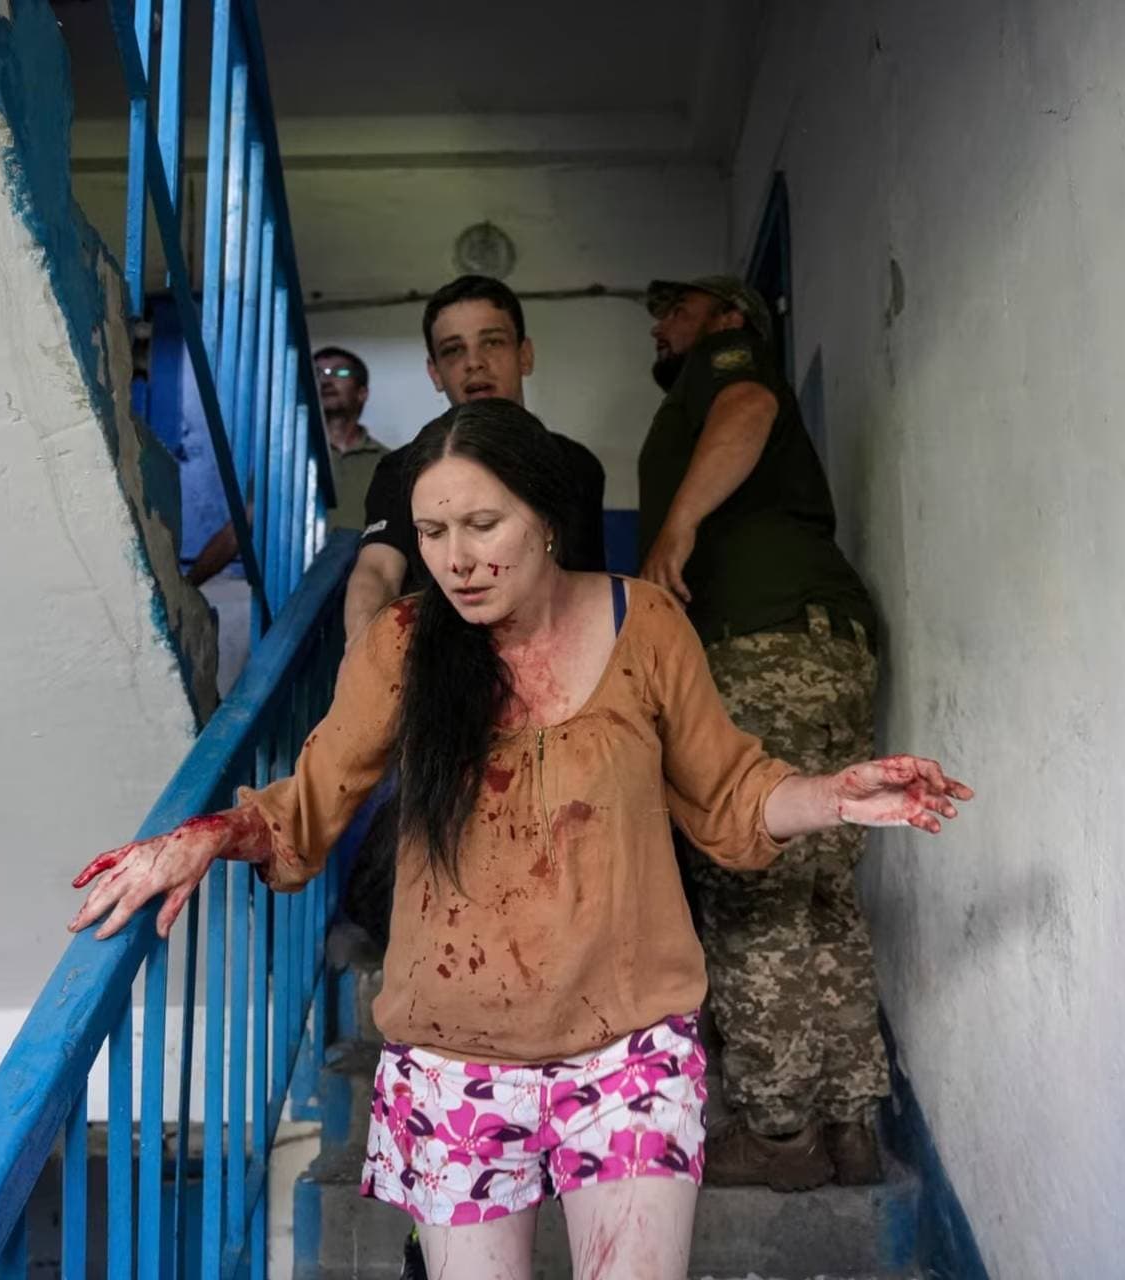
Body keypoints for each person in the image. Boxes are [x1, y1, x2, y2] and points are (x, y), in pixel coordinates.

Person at [68, 400, 971, 1276]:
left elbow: (732, 793)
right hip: (452, 1055)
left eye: (482, 525)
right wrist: (206, 834)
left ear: (544, 518)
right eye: (432, 533)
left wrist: (832, 796)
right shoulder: (404, 645)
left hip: (629, 1046)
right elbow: (305, 805)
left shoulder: (645, 625)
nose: (456, 560)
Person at [636, 274, 892, 1190]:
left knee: (749, 870)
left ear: (730, 315)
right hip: (824, 639)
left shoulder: (728, 360)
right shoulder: (709, 379)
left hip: (761, 642)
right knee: (820, 885)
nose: (660, 324)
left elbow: (746, 406)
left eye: (675, 305)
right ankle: (849, 1126)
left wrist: (676, 529)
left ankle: (780, 1131)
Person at [342, 274, 606, 642]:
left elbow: (587, 585)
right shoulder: (401, 469)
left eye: (492, 342)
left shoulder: (576, 465)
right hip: (439, 661)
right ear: (435, 372)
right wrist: (361, 658)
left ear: (525, 355)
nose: (474, 363)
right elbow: (377, 573)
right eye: (453, 350)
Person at [185, 346, 388, 696]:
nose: (325, 380)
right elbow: (238, 530)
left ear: (362, 392)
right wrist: (187, 585)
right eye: (318, 373)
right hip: (290, 607)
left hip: (363, 608)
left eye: (339, 373)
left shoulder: (391, 463)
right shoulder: (282, 461)